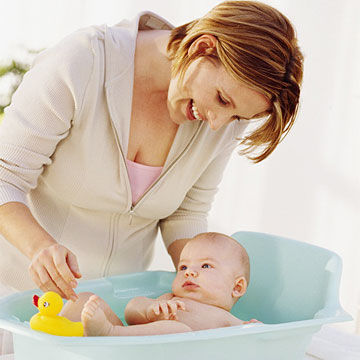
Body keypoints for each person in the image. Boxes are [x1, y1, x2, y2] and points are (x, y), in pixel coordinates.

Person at [0, 1, 303, 301]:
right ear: (202, 48)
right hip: (17, 300)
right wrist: (39, 247)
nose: (217, 124)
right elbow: (5, 175)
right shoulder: (83, 62)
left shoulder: (221, 119)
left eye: (237, 117)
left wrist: (211, 290)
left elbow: (186, 214)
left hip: (112, 314)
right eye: (222, 100)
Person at [60, 232, 258, 336]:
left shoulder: (226, 320)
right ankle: (54, 338)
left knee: (180, 331)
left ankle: (110, 333)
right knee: (84, 300)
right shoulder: (169, 300)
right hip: (128, 344)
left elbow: (256, 338)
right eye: (183, 267)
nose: (189, 271)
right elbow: (131, 312)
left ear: (237, 287)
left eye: (206, 266)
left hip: (140, 345)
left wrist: (256, 329)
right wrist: (149, 309)